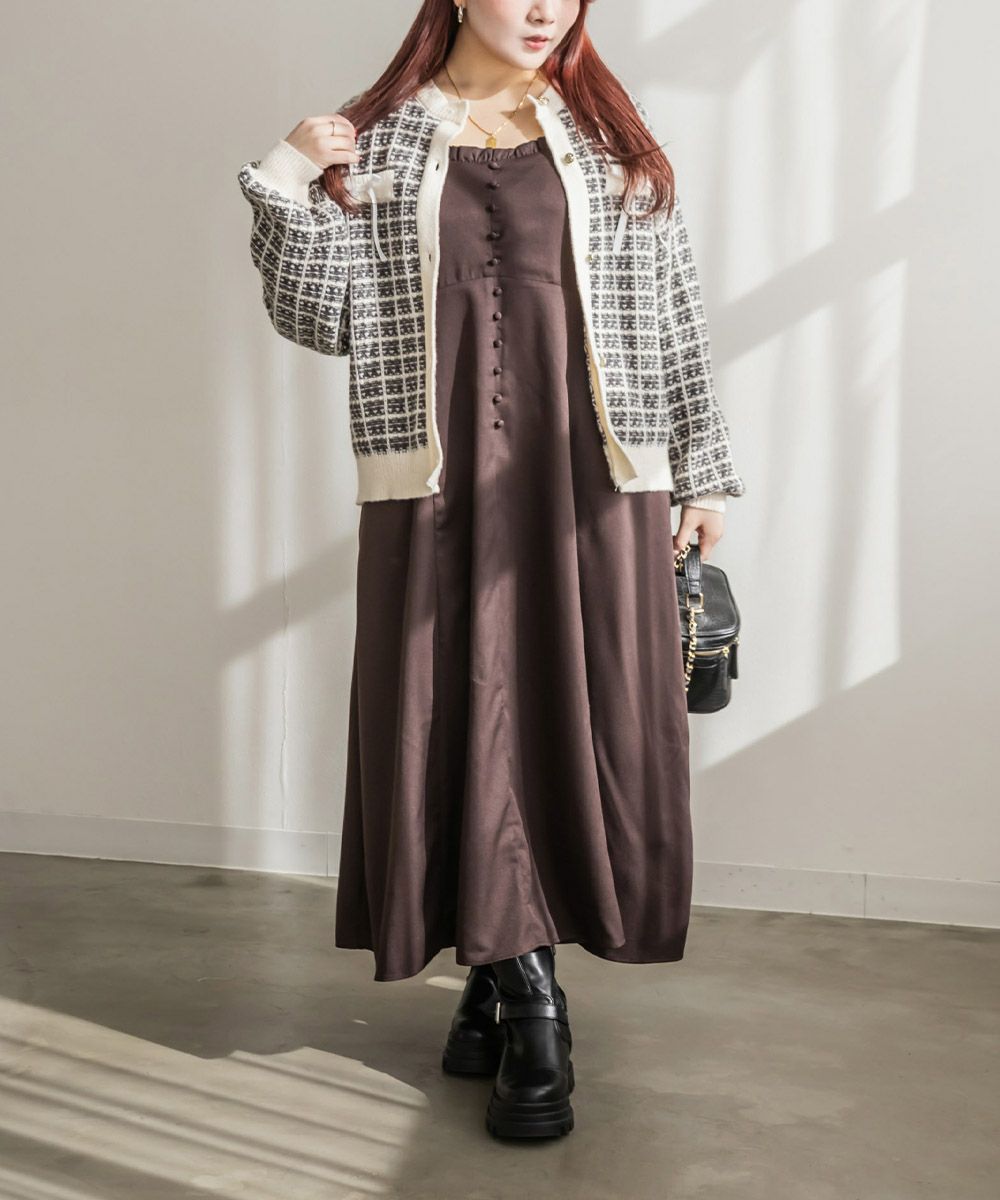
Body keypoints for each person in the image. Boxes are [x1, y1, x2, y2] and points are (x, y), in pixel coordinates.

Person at [237, 0, 746, 1140]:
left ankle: (496, 976)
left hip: (597, 474)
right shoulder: (379, 138)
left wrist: (706, 476)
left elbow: (673, 313)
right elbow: (321, 318)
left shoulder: (610, 137)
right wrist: (285, 176)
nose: (542, 8)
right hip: (436, 479)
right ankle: (532, 1004)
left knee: (577, 719)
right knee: (455, 711)